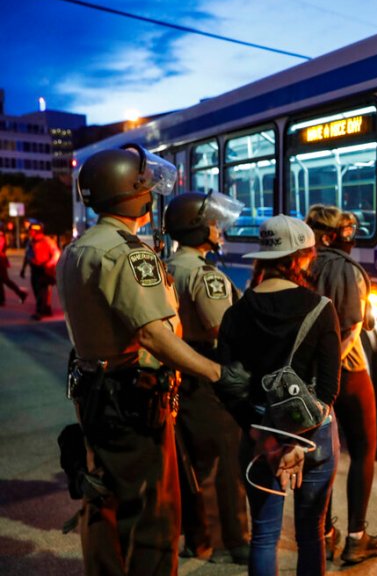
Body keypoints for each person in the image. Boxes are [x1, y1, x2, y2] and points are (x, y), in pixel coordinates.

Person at [57, 145, 250, 576]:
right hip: (131, 398)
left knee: (102, 500)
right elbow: (154, 335)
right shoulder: (129, 253)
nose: (151, 192)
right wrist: (217, 372)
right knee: (153, 515)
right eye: (144, 184)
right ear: (131, 193)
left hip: (93, 390)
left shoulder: (78, 248)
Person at [217, 214, 341, 576]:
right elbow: (329, 389)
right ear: (301, 257)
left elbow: (227, 384)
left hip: (258, 432)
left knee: (264, 535)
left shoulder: (236, 312)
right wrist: (298, 442)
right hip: (314, 437)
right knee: (311, 535)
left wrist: (262, 436)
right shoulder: (321, 309)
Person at [163, 191, 250, 564]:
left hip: (179, 370)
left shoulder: (168, 265)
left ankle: (197, 535)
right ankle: (230, 540)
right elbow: (222, 328)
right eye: (213, 222)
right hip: (207, 372)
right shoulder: (204, 275)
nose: (218, 229)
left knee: (191, 461)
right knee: (225, 461)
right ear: (197, 228)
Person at [306, 204, 377, 565]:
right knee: (363, 449)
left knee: (321, 456)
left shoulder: (301, 263)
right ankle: (356, 538)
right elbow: (355, 327)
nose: (352, 238)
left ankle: (323, 536)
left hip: (307, 374)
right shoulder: (347, 269)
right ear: (329, 236)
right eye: (348, 232)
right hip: (348, 371)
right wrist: (331, 367)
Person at [20, 220, 59, 319]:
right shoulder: (30, 242)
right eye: (30, 230)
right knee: (37, 290)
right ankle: (46, 309)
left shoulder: (47, 241)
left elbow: (56, 254)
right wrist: (23, 269)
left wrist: (49, 264)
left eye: (32, 230)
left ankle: (39, 312)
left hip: (44, 269)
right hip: (35, 268)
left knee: (42, 291)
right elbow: (27, 256)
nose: (30, 232)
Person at [0, 231, 28, 306]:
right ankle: (2, 299)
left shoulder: (1, 237)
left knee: (5, 280)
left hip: (1, 261)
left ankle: (21, 294)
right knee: (3, 280)